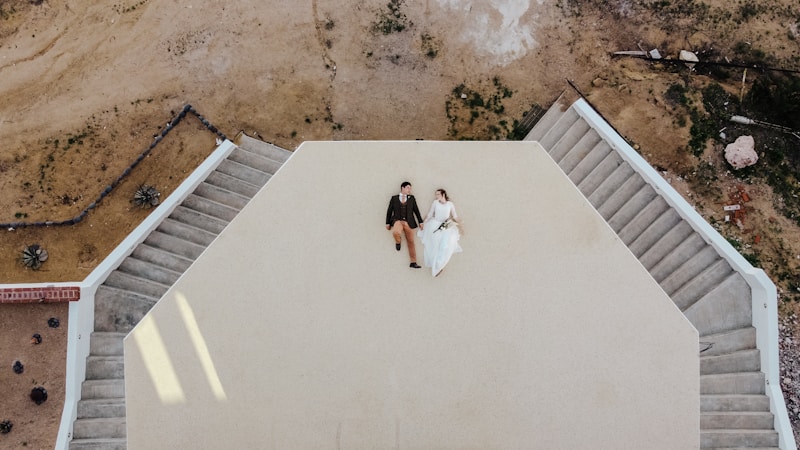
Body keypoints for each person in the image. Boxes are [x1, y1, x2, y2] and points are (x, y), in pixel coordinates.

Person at [420, 188, 462, 277]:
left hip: (446, 226)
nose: (436, 196)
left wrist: (460, 225)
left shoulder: (450, 204)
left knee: (444, 246)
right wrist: (423, 222)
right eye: (436, 194)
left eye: (438, 194)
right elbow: (430, 213)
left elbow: (455, 216)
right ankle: (435, 264)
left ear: (443, 194)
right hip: (435, 224)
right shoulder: (435, 203)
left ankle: (439, 265)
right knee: (434, 245)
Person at [386, 181, 424, 268]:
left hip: (408, 222)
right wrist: (387, 222)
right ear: (402, 188)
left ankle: (413, 262)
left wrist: (420, 222)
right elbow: (389, 211)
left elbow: (416, 211)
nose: (409, 190)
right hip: (397, 221)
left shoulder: (412, 198)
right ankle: (398, 241)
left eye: (410, 188)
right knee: (396, 232)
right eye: (408, 188)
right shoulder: (394, 198)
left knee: (411, 242)